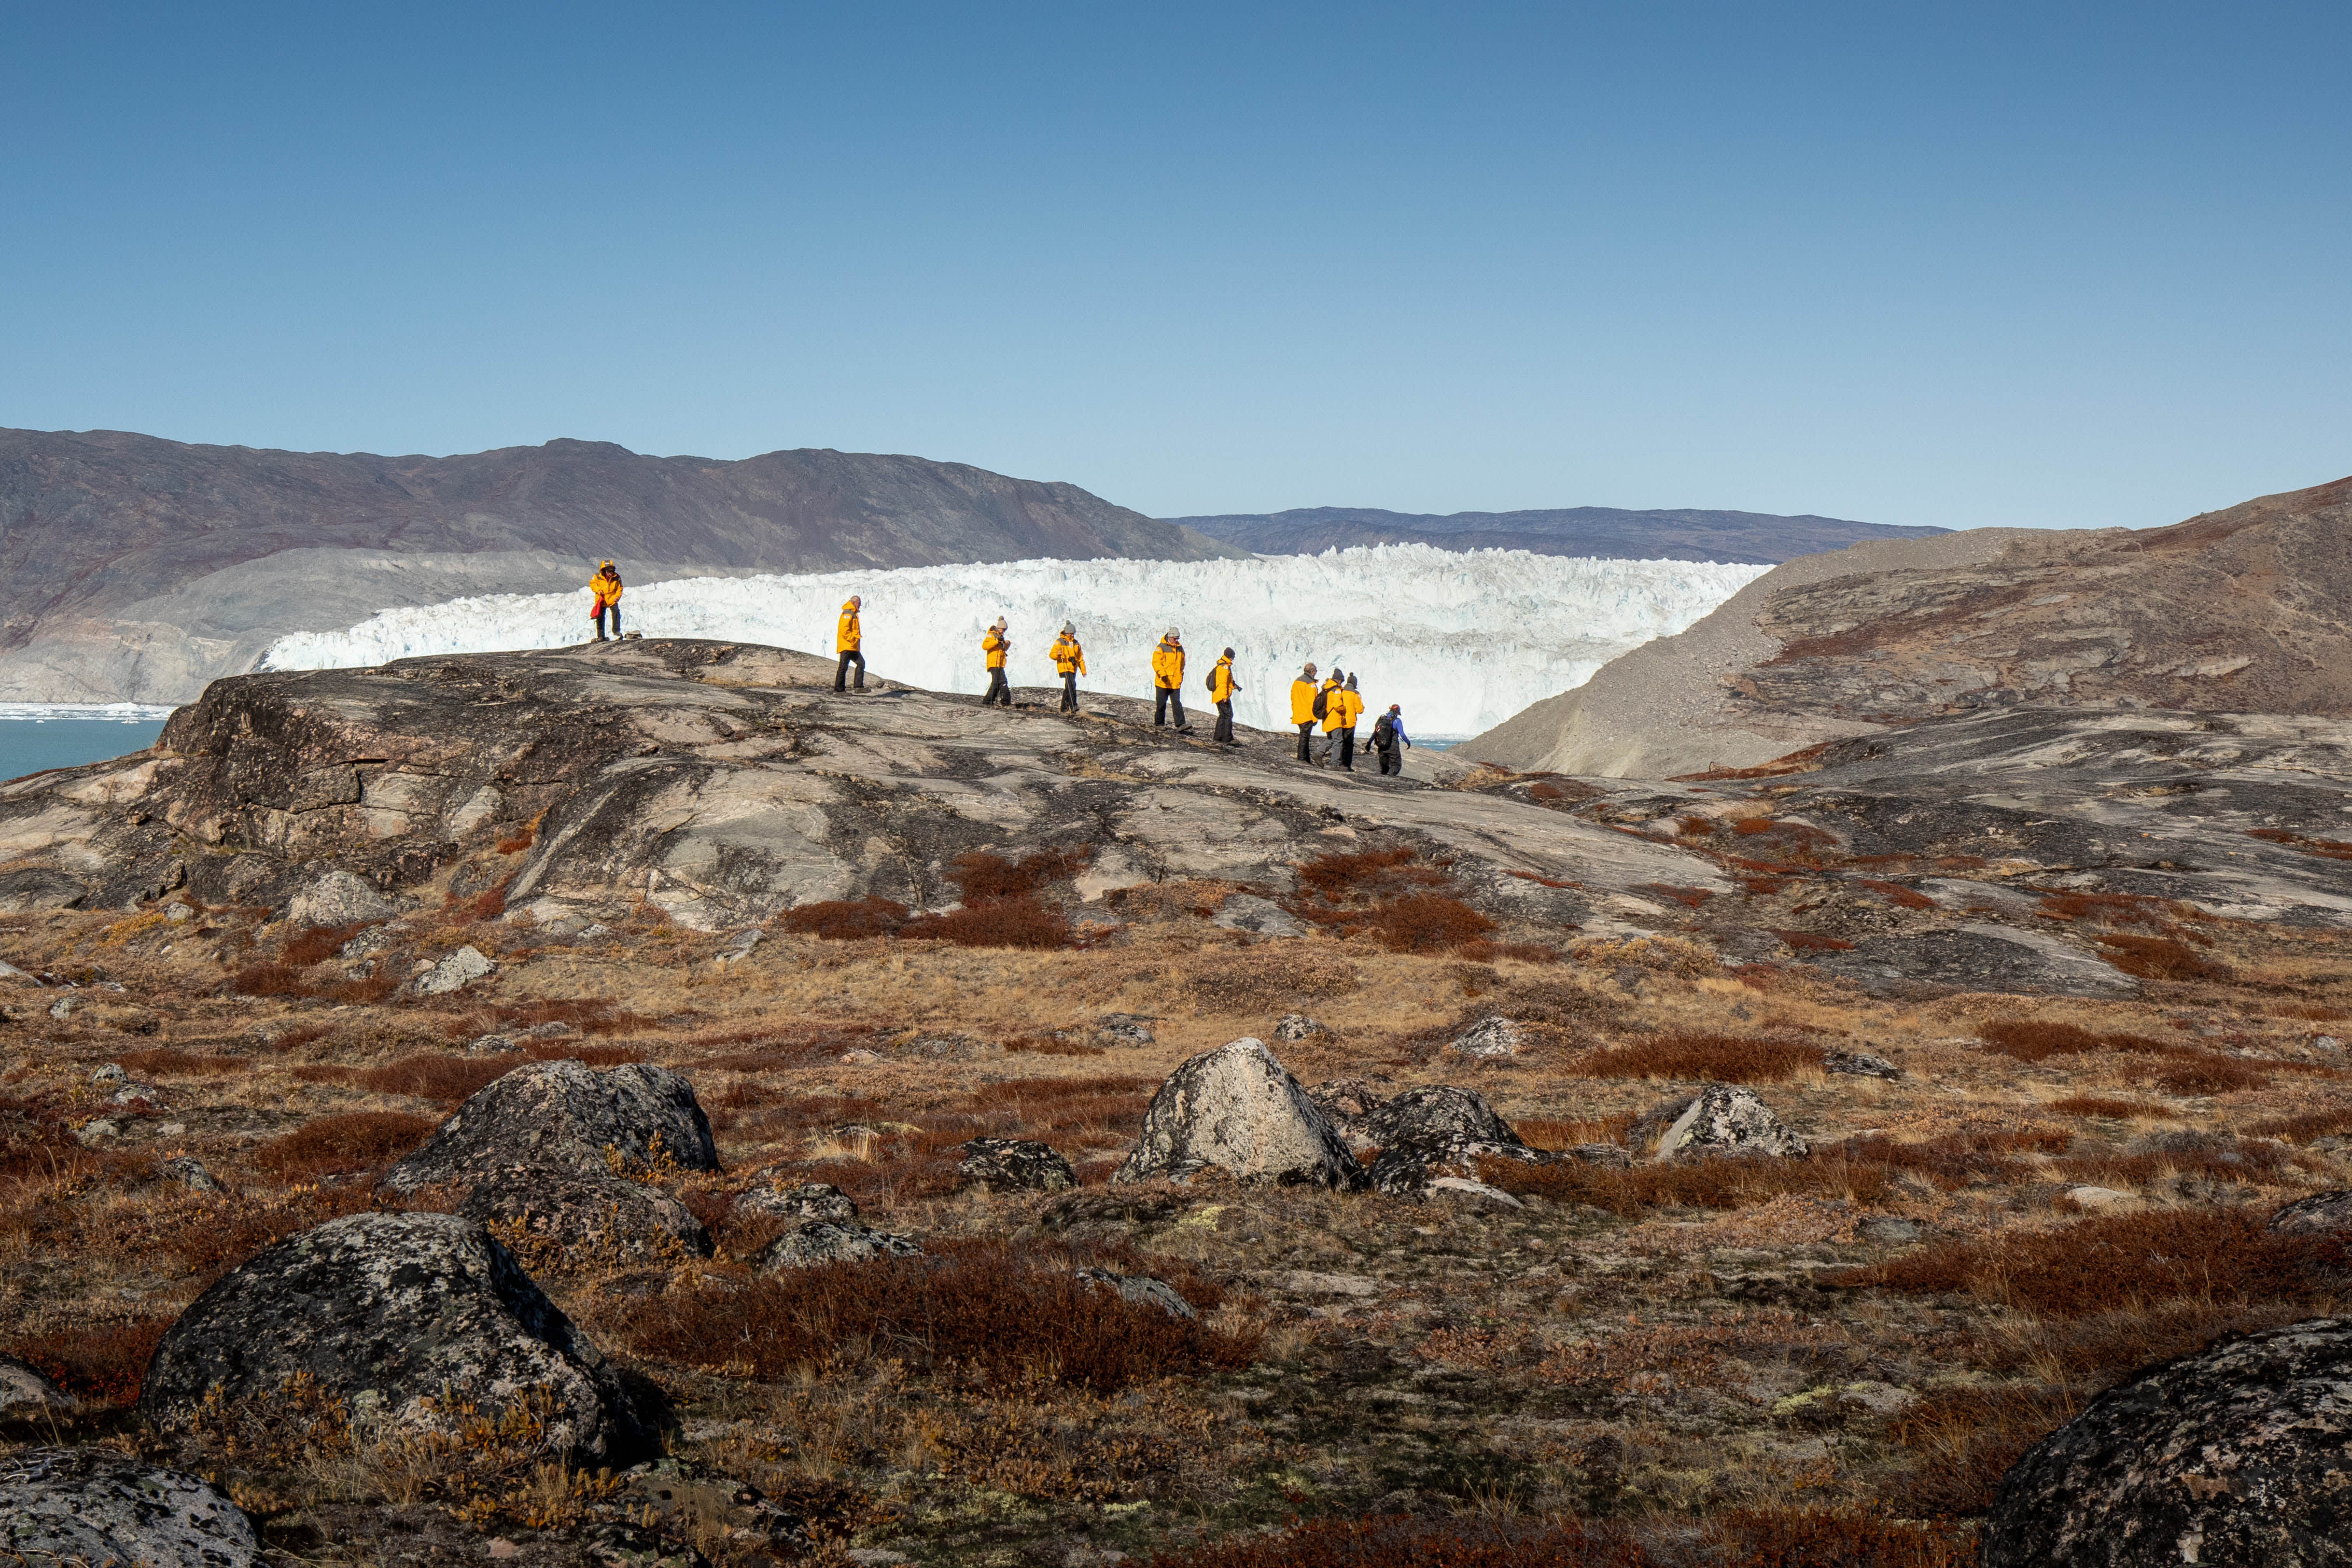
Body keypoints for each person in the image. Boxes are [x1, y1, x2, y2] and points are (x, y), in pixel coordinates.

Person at [1151, 627, 1192, 732]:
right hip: (1163, 682)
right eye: (1175, 638)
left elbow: (1182, 663)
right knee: (1161, 704)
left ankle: (1181, 724)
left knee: (1177, 703)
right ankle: (1159, 724)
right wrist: (1162, 674)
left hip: (1175, 682)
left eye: (1178, 638)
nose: (1176, 640)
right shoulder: (1161, 648)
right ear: (1170, 637)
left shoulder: (1180, 648)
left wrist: (1181, 674)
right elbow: (1156, 662)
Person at [1049, 621, 1086, 712]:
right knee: (1072, 685)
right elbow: (1052, 655)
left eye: (1073, 634)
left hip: (1073, 668)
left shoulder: (1076, 643)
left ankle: (1064, 708)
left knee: (1068, 687)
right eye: (1071, 633)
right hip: (1064, 666)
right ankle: (1073, 706)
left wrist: (1083, 671)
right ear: (1066, 632)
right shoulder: (1059, 642)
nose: (1073, 635)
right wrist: (1058, 654)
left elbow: (1080, 658)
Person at [1333, 674, 1366, 771]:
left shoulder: (1341, 690)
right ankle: (1346, 765)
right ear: (1355, 683)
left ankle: (1337, 761)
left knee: (1340, 741)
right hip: (1350, 722)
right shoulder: (1356, 693)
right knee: (1349, 744)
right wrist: (1362, 707)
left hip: (1340, 720)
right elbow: (1359, 710)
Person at [1208, 647, 1241, 743]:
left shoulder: (1222, 665)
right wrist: (1225, 696)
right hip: (1222, 695)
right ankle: (1227, 738)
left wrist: (1233, 686)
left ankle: (1218, 737)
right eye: (1233, 657)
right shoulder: (1224, 667)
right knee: (1228, 715)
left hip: (1218, 695)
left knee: (1223, 715)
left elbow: (1226, 682)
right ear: (1230, 657)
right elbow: (1222, 683)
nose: (1233, 659)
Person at [1370, 703, 1413, 775]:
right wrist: (1408, 742)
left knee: (1384, 768)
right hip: (1393, 747)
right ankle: (1389, 778)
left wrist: (1369, 743)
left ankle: (1383, 779)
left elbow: (1376, 732)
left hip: (1382, 747)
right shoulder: (1397, 721)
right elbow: (1402, 734)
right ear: (1398, 712)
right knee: (1396, 765)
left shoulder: (1382, 720)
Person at [1289, 662, 1320, 761]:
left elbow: (1293, 698)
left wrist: (1295, 711)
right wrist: (1315, 717)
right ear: (1312, 671)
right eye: (1315, 671)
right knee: (1305, 737)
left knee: (1304, 735)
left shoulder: (1297, 681)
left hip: (1299, 713)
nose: (1316, 673)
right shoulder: (1310, 683)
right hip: (1307, 714)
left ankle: (1306, 758)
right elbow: (1312, 702)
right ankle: (1302, 758)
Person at [835, 595, 866, 692]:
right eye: (859, 603)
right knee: (843, 667)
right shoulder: (848, 613)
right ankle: (839, 690)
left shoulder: (852, 613)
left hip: (852, 646)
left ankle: (859, 687)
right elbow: (844, 630)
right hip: (847, 645)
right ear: (854, 603)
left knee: (861, 663)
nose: (860, 605)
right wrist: (853, 639)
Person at [1317, 667, 1346, 764]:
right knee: (1338, 741)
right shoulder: (1336, 690)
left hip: (1327, 718)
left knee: (1331, 739)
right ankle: (1335, 762)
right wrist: (1344, 709)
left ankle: (1318, 754)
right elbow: (1337, 706)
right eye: (1342, 681)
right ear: (1340, 680)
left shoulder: (1327, 688)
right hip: (1335, 719)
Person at [589, 561, 624, 641]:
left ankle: (616, 631)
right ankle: (601, 636)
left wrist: (617, 597)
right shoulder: (597, 577)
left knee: (616, 612)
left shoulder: (617, 577)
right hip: (602, 599)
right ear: (605, 570)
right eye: (609, 571)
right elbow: (593, 584)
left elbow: (620, 588)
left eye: (612, 571)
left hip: (612, 599)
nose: (611, 573)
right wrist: (598, 590)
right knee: (600, 617)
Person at [982, 617, 1012, 706]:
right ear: (999, 628)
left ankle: (988, 701)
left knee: (997, 683)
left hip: (999, 664)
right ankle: (1005, 701)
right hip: (994, 663)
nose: (1004, 632)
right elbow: (985, 646)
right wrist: (996, 641)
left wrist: (1006, 645)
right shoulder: (992, 635)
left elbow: (1001, 651)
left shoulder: (1000, 637)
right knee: (1002, 682)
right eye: (1003, 629)